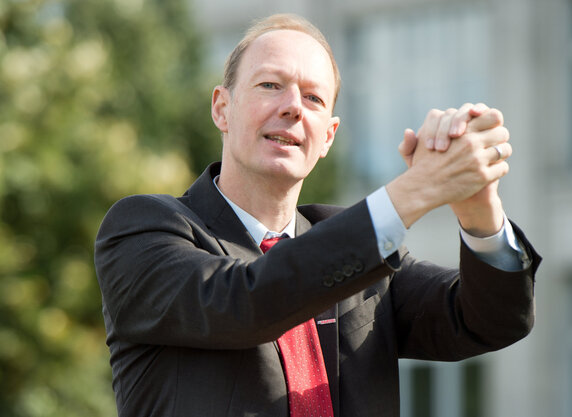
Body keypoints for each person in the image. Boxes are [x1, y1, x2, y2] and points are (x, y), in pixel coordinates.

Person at [94, 13, 540, 417]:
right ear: (221, 108)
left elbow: (490, 321)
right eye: (270, 85)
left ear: (327, 137)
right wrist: (416, 190)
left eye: (312, 97)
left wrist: (477, 206)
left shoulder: (360, 255)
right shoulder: (142, 230)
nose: (292, 106)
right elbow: (246, 301)